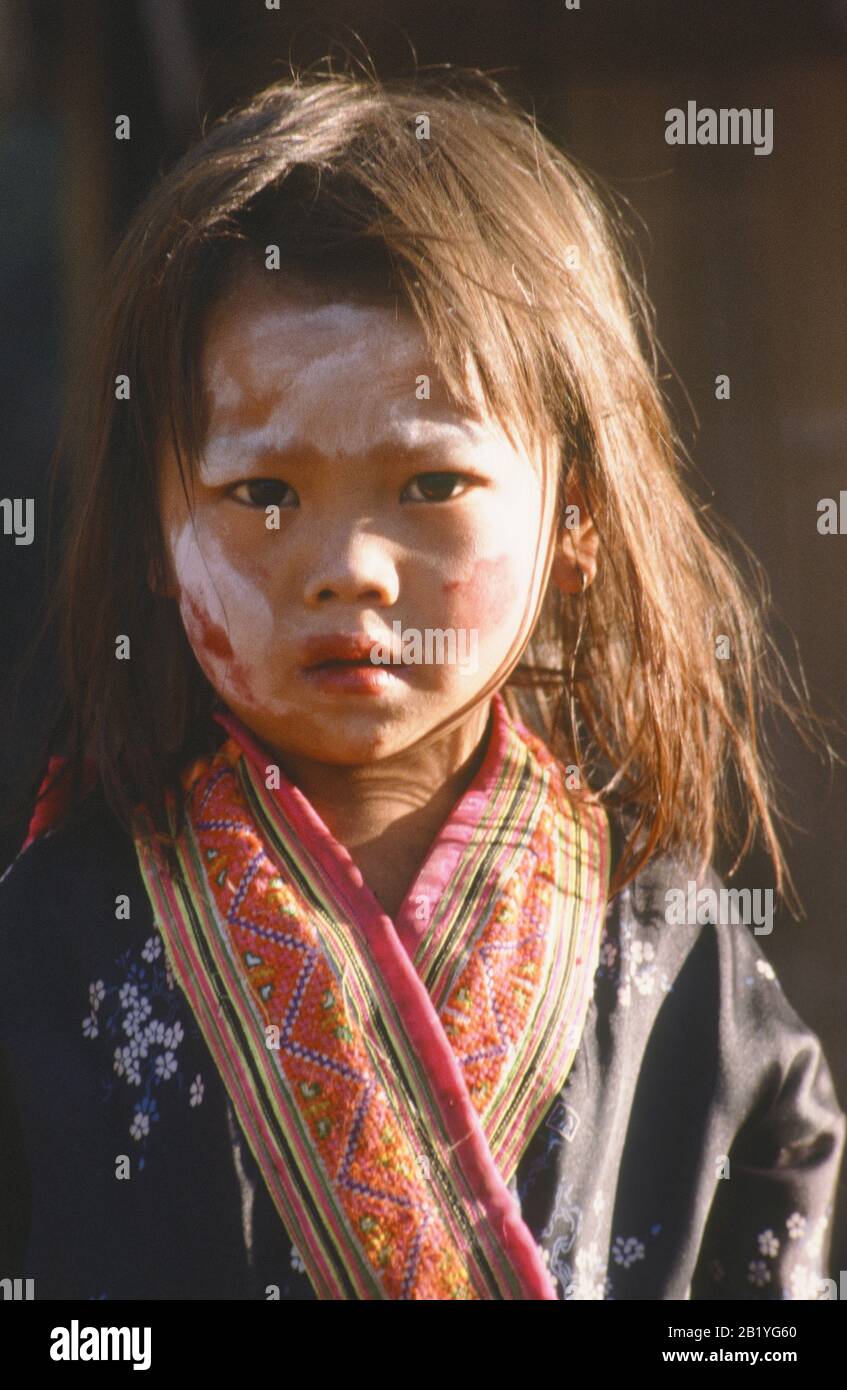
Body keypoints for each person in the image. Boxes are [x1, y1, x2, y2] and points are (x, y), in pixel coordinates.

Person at [0, 67, 843, 1301]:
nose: (348, 570)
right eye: (263, 494)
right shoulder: (54, 936)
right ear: (149, 530)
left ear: (576, 517)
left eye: (432, 487)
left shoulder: (676, 953)